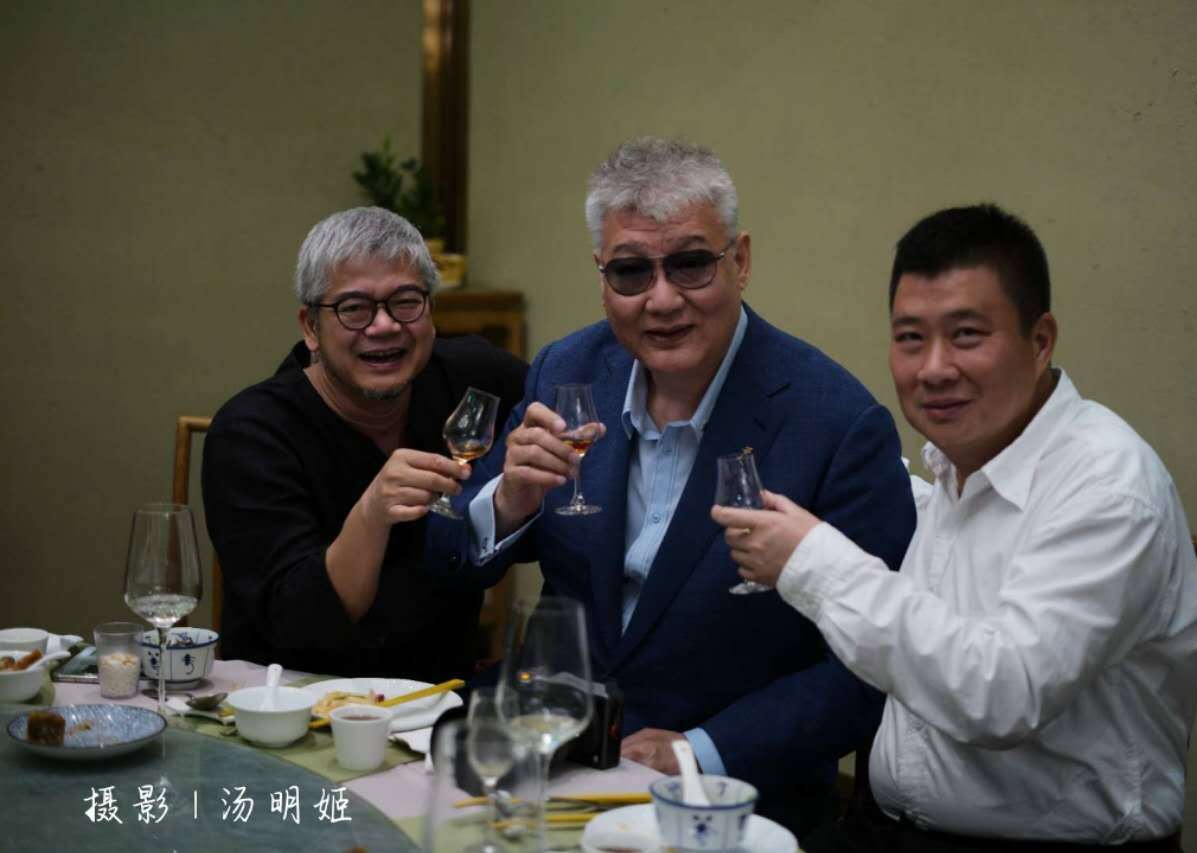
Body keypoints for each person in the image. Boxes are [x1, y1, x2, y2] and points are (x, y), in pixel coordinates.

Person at [423, 137, 917, 834]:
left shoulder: (835, 423)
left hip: (730, 797)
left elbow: (869, 668)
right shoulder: (569, 371)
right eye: (631, 271)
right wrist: (510, 501)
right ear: (602, 276)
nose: (662, 299)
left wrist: (697, 751)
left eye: (690, 264)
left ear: (740, 261)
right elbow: (444, 554)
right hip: (552, 759)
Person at [713, 204, 1197, 850]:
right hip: (884, 827)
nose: (934, 368)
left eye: (967, 334)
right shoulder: (955, 466)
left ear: (1040, 340)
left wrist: (809, 560)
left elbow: (1003, 693)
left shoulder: (1106, 485)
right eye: (910, 338)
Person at [203, 207, 526, 683]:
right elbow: (300, 623)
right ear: (310, 327)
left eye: (406, 301)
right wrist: (372, 513)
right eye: (354, 309)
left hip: (443, 696)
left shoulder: (477, 378)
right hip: (294, 699)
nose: (384, 325)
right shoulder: (253, 432)